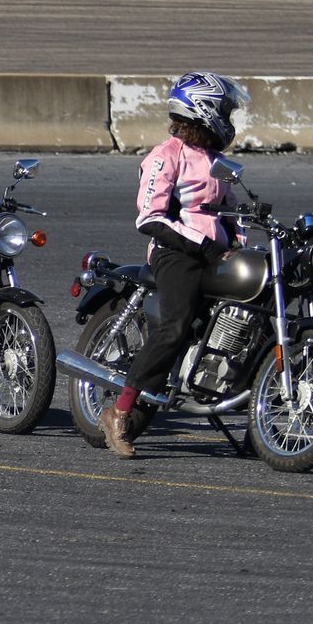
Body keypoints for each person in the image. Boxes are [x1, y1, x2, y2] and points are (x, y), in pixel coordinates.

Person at [100, 72, 245, 458]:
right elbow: (149, 218)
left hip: (215, 254)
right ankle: (120, 410)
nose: (229, 119)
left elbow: (230, 214)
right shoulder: (165, 155)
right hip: (175, 252)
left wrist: (243, 245)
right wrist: (205, 248)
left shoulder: (219, 162)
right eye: (225, 111)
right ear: (204, 111)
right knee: (176, 325)